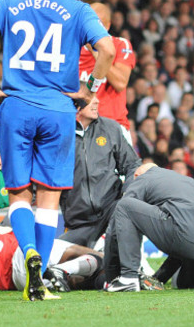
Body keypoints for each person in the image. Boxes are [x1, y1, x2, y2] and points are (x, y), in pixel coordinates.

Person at [0, 0, 115, 301]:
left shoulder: (9, 2)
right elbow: (106, 50)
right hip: (58, 109)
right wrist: (89, 88)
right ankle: (40, 277)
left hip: (15, 105)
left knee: (18, 194)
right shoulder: (79, 10)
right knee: (49, 199)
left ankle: (29, 250)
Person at [103, 163, 194, 292]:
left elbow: (117, 221)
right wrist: (159, 278)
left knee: (124, 206)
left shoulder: (143, 178)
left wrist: (111, 276)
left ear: (137, 176)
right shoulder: (186, 181)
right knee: (181, 283)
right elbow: (184, 228)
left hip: (188, 237)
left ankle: (128, 278)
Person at [59, 94, 141, 249]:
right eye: (90, 98)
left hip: (111, 214)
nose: (97, 101)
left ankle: (131, 262)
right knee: (56, 261)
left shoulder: (110, 128)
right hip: (78, 223)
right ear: (75, 104)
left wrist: (128, 194)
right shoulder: (58, 133)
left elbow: (132, 165)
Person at [0, 225, 104, 292]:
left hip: (21, 282)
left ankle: (64, 272)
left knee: (70, 282)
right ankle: (63, 269)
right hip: (21, 255)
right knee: (94, 257)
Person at [78, 3, 136, 143]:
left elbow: (120, 82)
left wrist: (97, 52)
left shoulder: (120, 44)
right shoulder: (72, 48)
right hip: (78, 126)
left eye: (97, 25)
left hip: (113, 127)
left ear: (108, 26)